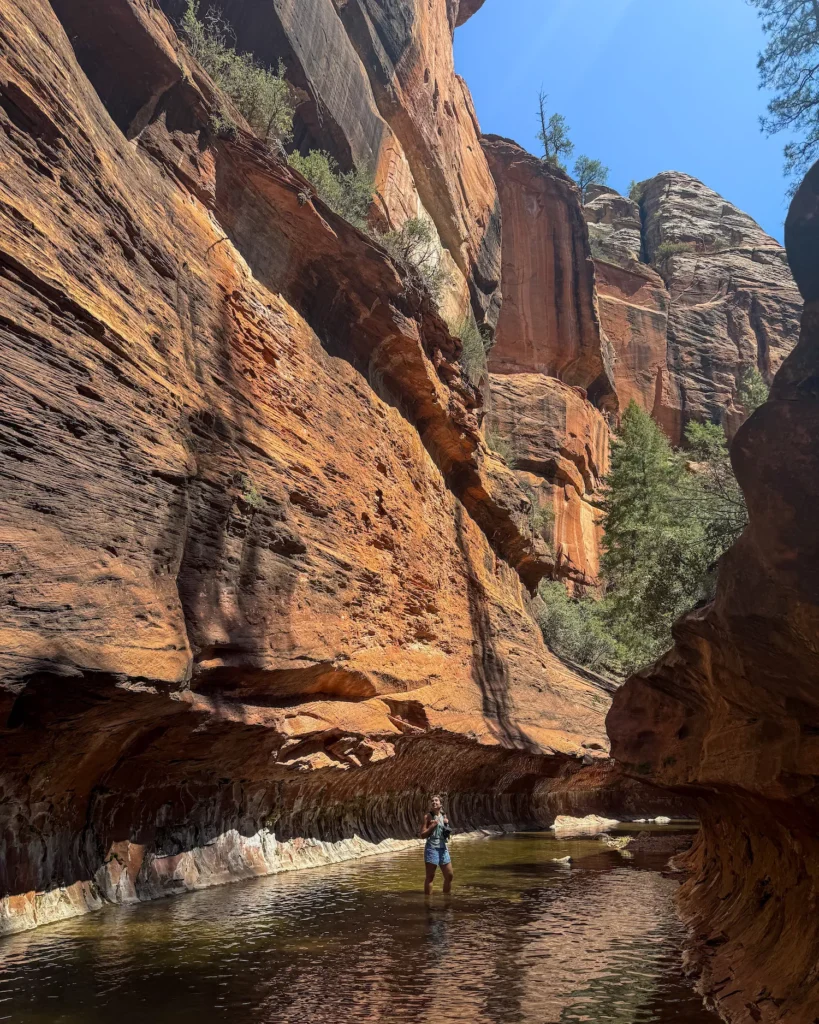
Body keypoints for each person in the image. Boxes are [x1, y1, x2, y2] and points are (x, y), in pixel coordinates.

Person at [421, 794, 453, 894]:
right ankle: (428, 903)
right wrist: (432, 827)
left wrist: (446, 825)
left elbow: (446, 835)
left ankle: (447, 900)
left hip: (443, 848)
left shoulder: (444, 816)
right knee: (430, 877)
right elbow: (422, 835)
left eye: (436, 801)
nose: (434, 802)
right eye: (432, 801)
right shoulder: (428, 816)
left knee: (449, 875)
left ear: (441, 804)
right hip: (432, 848)